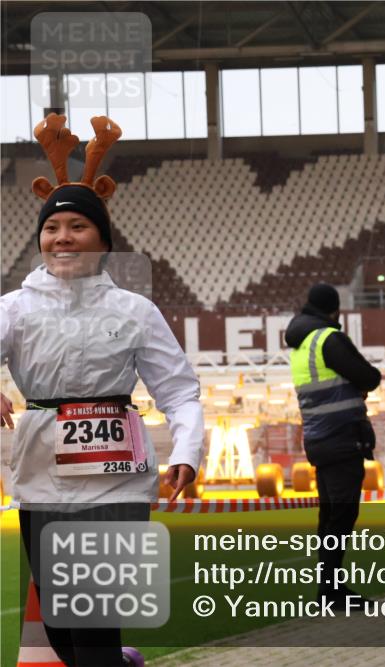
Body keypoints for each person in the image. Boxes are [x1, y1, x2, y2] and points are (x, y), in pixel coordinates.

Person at [1, 114, 203, 666]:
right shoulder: (14, 309)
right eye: (52, 227)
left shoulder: (135, 311)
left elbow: (180, 391)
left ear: (102, 240)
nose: (63, 237)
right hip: (41, 478)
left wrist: (186, 450)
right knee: (65, 634)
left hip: (117, 482)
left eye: (77, 227)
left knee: (92, 631)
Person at [285, 282, 381, 606]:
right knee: (341, 517)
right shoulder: (328, 339)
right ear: (335, 310)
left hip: (318, 438)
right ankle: (330, 592)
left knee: (329, 517)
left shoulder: (299, 346)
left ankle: (328, 589)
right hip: (341, 438)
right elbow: (368, 377)